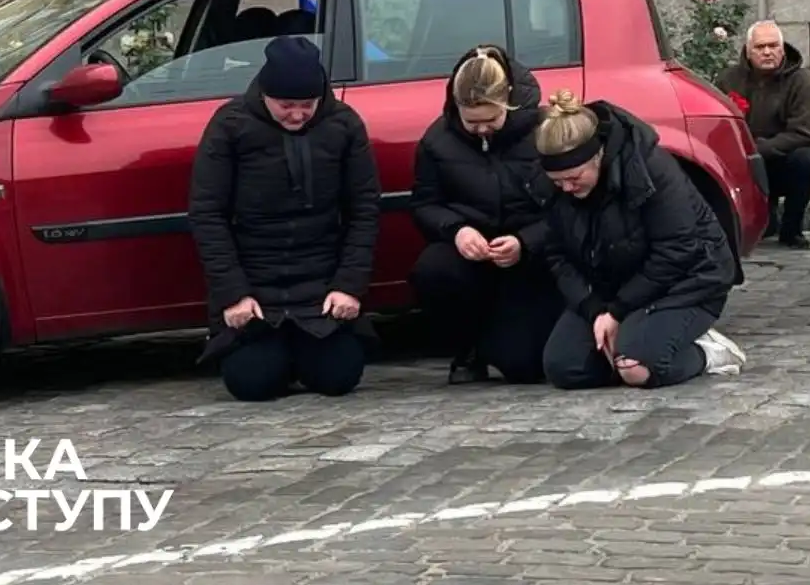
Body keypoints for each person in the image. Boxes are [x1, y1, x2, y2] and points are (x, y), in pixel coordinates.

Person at [188, 35, 380, 402]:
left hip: (320, 285)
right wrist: (234, 294)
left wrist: (349, 285)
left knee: (339, 377)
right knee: (252, 383)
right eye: (286, 105)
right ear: (264, 94)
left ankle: (305, 351)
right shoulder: (230, 125)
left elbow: (364, 209)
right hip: (256, 285)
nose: (297, 115)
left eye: (307, 105)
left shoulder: (344, 124)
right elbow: (207, 214)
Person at [531, 89, 747, 389]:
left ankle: (708, 353)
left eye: (575, 178)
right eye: (558, 182)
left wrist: (617, 310)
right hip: (612, 284)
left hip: (686, 280)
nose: (566, 187)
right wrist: (594, 309)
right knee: (564, 368)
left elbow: (678, 249)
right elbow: (557, 255)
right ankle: (635, 342)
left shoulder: (650, 169)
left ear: (598, 155)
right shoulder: (553, 187)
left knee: (638, 367)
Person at [407, 44, 562, 385]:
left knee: (526, 367)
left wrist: (526, 242)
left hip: (531, 258)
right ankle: (467, 349)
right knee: (433, 269)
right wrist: (457, 230)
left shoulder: (543, 130)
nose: (481, 130)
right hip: (471, 254)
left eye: (491, 120)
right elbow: (424, 205)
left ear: (507, 101)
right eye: (471, 122)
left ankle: (512, 339)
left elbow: (568, 208)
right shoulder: (437, 140)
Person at [715, 20, 810, 249]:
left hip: (781, 157)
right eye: (760, 47)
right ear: (748, 50)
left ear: (782, 49)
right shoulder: (728, 79)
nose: (767, 52)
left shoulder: (800, 81)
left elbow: (803, 133)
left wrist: (760, 149)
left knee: (808, 159)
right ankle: (761, 220)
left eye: (773, 46)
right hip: (744, 160)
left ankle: (792, 229)